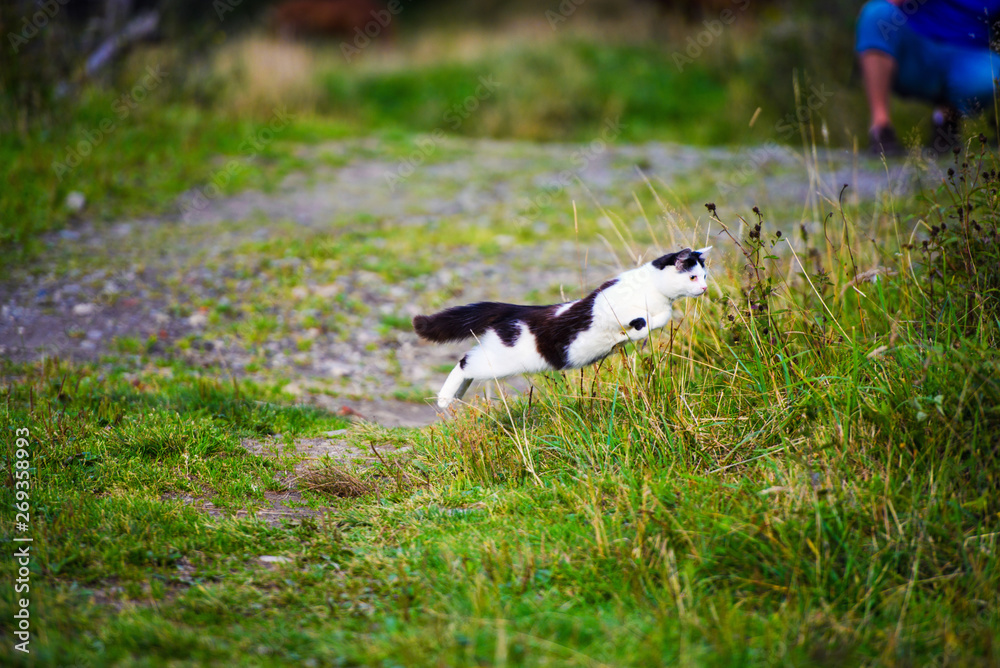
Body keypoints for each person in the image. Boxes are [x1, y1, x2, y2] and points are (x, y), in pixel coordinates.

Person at [856, 0, 1000, 155]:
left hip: (968, 55)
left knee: (990, 77)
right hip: (916, 46)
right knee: (875, 14)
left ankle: (946, 121)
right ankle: (881, 128)